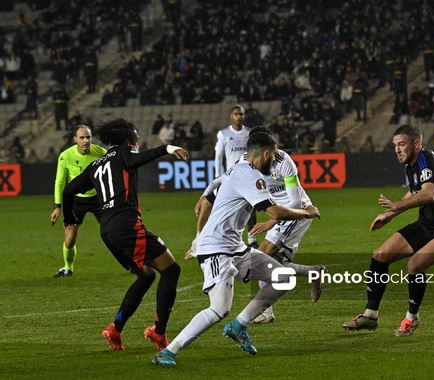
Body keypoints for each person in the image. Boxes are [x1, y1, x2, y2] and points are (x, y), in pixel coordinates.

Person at [152, 132, 321, 365]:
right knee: (219, 309)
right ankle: (168, 351)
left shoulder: (241, 169)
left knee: (284, 278)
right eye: (273, 155)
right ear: (265, 153)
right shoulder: (249, 175)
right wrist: (307, 211)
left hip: (235, 247)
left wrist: (203, 203)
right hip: (216, 249)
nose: (274, 161)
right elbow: (275, 213)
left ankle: (239, 325)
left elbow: (211, 195)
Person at [62, 118, 189, 351]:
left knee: (146, 276)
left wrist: (69, 218)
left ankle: (115, 329)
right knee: (171, 270)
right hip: (126, 226)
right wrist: (168, 148)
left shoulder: (96, 164)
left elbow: (69, 189)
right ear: (128, 140)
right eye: (136, 140)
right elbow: (138, 158)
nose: (137, 144)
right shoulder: (124, 153)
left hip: (107, 230)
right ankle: (158, 333)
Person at [342, 124, 434, 336]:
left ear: (416, 144)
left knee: (415, 265)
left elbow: (428, 194)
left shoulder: (427, 160)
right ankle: (370, 316)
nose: (397, 150)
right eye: (395, 145)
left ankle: (412, 318)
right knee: (380, 255)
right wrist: (389, 214)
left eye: (401, 144)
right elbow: (414, 191)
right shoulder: (411, 165)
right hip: (426, 223)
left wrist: (397, 206)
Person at [197, 126, 326, 324]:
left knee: (262, 257)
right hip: (275, 211)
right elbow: (221, 179)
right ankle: (312, 272)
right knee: (272, 264)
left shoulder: (284, 162)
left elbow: (295, 200)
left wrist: (272, 221)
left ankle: (266, 313)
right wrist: (205, 195)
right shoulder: (245, 162)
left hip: (296, 212)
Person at [51, 126, 107, 277]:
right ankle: (67, 268)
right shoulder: (65, 156)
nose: (85, 141)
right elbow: (60, 182)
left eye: (88, 137)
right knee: (69, 240)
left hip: (99, 199)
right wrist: (58, 206)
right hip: (76, 202)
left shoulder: (101, 153)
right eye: (82, 138)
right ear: (75, 139)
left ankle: (132, 264)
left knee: (113, 233)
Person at [214, 105, 256, 245]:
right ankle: (227, 239)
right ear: (231, 116)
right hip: (231, 177)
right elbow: (218, 155)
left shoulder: (249, 133)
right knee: (229, 209)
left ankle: (252, 240)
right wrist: (217, 175)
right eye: (236, 114)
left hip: (248, 176)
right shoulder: (224, 134)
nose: (239, 117)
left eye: (241, 114)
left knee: (251, 208)